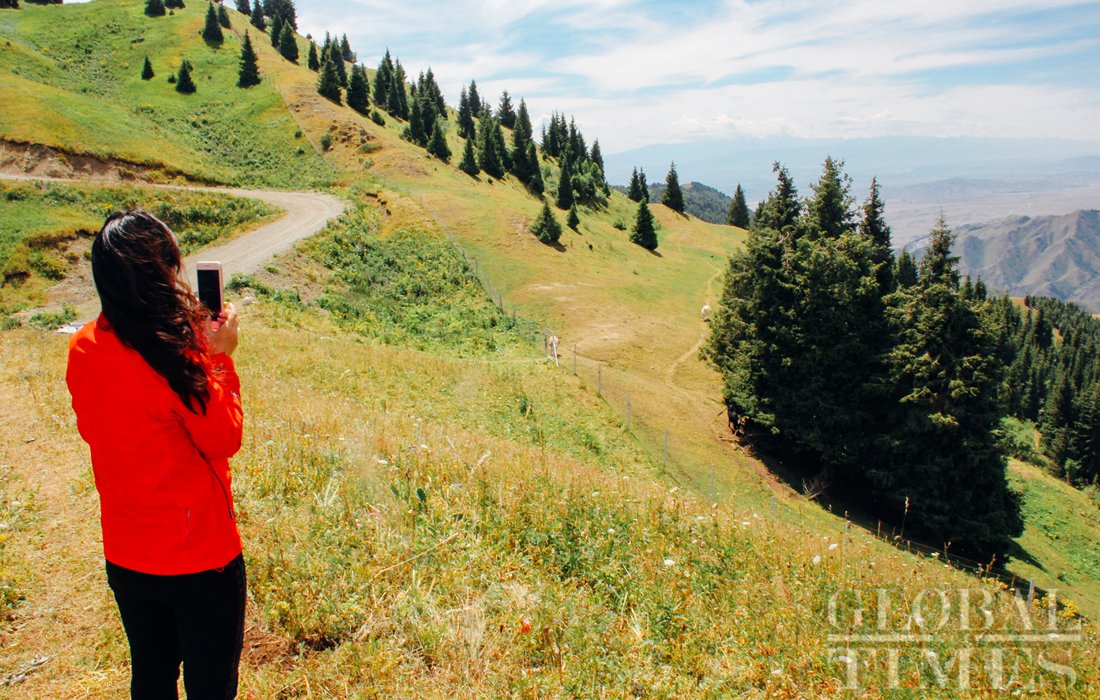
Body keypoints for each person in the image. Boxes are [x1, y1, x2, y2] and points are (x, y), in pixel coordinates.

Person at [66, 210, 246, 699]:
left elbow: (94, 429)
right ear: (160, 275)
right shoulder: (176, 356)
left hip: (126, 550)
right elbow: (224, 438)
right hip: (200, 555)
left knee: (151, 674)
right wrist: (219, 356)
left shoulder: (83, 349)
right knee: (211, 687)